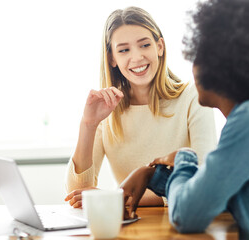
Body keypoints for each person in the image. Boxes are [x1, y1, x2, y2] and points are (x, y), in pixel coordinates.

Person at [120, 0, 249, 239]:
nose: (193, 66)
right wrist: (153, 175)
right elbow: (217, 195)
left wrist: (185, 156)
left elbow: (187, 214)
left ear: (221, 64)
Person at [64, 6, 217, 208]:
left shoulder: (193, 96)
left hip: (180, 222)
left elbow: (204, 181)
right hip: (130, 226)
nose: (136, 58)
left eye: (144, 45)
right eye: (124, 50)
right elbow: (76, 193)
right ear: (112, 58)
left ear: (159, 47)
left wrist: (116, 198)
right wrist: (88, 125)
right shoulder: (107, 108)